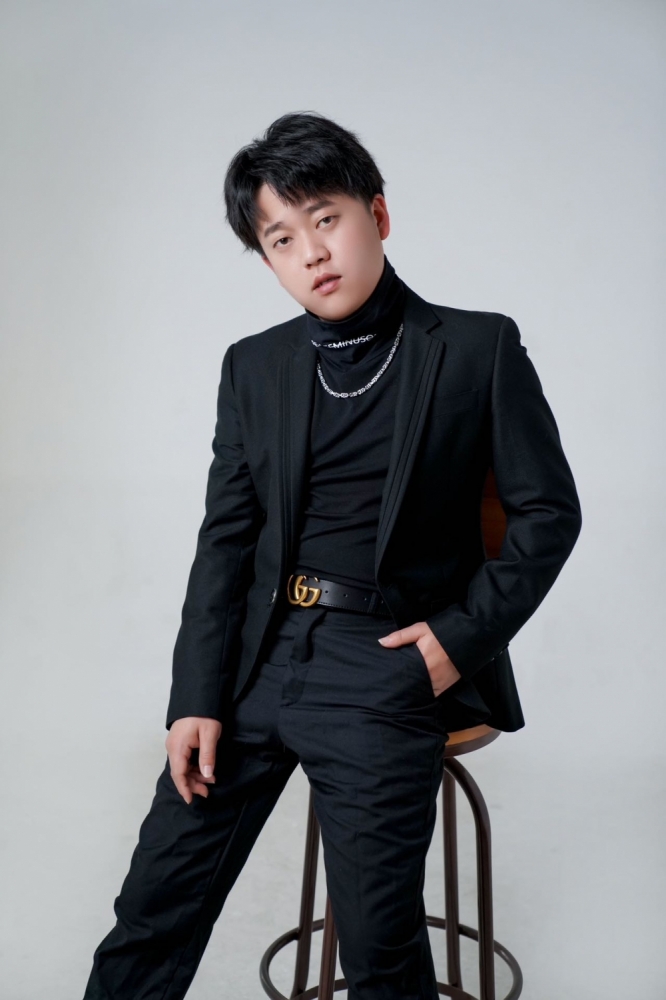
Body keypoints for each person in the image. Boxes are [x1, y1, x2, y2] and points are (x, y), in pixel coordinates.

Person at [82, 110, 582, 1000]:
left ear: (377, 215)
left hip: (385, 662)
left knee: (380, 951)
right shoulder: (254, 367)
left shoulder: (477, 349)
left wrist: (454, 642)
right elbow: (225, 542)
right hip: (258, 660)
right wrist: (195, 695)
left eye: (326, 218)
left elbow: (549, 514)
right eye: (282, 238)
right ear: (267, 260)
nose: (311, 251)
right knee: (151, 911)